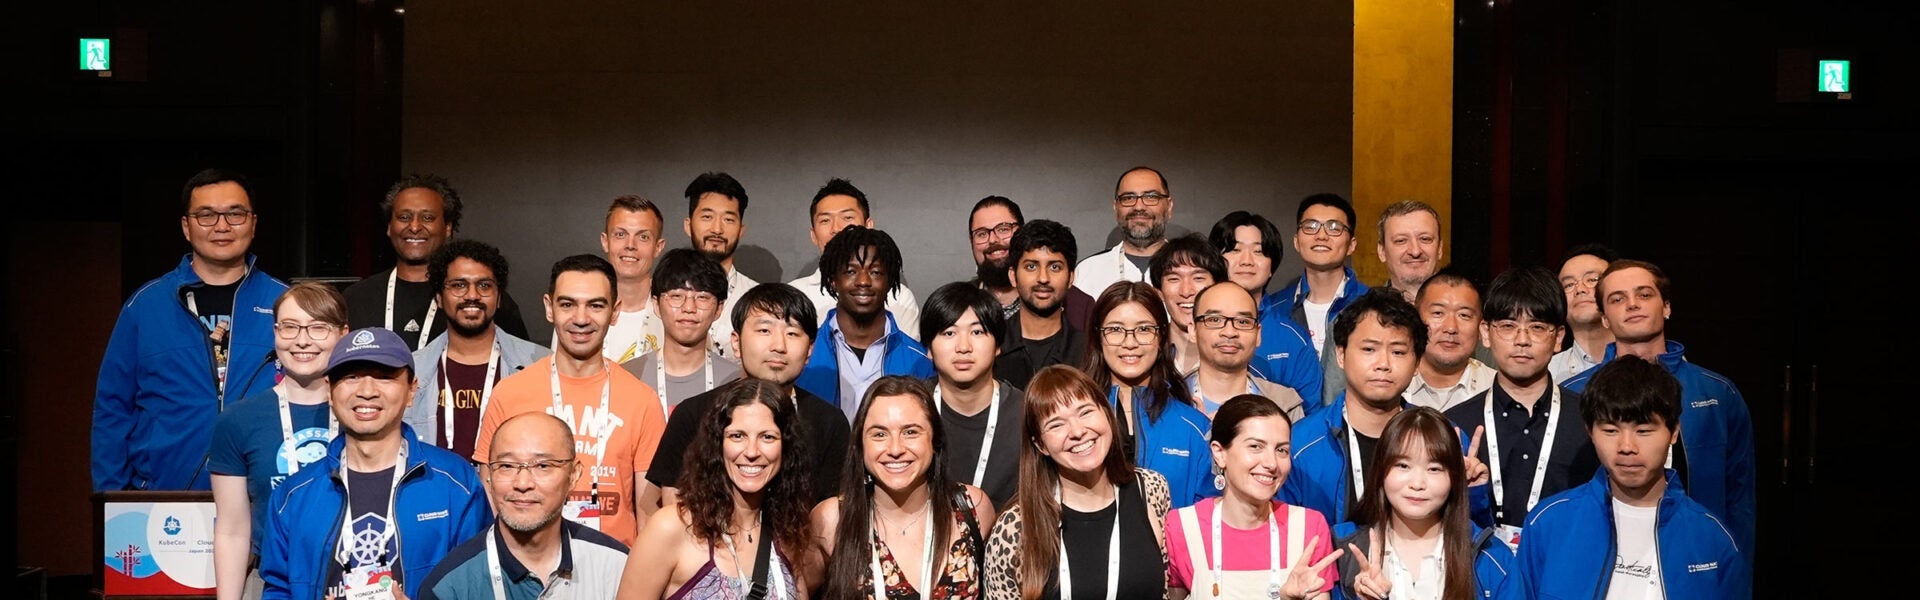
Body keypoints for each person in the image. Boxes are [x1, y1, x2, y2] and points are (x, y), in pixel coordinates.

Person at [260, 327, 492, 600]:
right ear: (330, 391)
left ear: (411, 390)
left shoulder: (456, 483)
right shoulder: (293, 496)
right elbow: (278, 590)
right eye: (351, 377)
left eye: (384, 377)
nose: (367, 391)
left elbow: (480, 587)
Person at [95, 168, 289, 491]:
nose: (222, 226)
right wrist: (113, 499)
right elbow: (112, 407)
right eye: (206, 215)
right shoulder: (145, 307)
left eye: (235, 214)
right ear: (186, 227)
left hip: (267, 502)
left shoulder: (286, 304)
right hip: (163, 504)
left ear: (253, 223)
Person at [1561, 259, 1755, 555]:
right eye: (1617, 298)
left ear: (1666, 306)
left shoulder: (1718, 393)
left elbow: (1740, 497)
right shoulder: (1573, 394)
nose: (1632, 304)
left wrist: (1735, 569)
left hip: (1697, 555)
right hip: (1601, 553)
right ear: (1604, 318)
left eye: (1644, 295)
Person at [473, 255, 669, 546]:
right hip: (525, 568)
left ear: (615, 311)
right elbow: (489, 494)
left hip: (614, 574)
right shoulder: (510, 393)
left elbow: (649, 514)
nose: (581, 318)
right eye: (567, 304)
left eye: (596, 305)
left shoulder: (642, 400)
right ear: (549, 308)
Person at [1517, 356, 1750, 598]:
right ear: (1590, 432)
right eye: (1610, 430)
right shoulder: (1547, 524)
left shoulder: (1712, 537)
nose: (1626, 446)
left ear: (1673, 432)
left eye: (1643, 430)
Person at [1281, 288, 1488, 526]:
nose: (1383, 364)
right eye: (1369, 349)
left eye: (1398, 352)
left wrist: (1473, 494)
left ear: (1417, 363)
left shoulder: (1444, 437)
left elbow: (1470, 540)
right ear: (1341, 354)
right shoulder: (1300, 444)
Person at [643, 283, 852, 510]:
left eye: (792, 333)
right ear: (736, 342)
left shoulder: (829, 422)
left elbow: (832, 514)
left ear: (810, 350)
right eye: (764, 330)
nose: (779, 346)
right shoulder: (693, 414)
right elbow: (672, 510)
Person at [982, 365, 1172, 600]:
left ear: (1107, 414)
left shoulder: (1152, 489)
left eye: (1085, 412)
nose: (1077, 431)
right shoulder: (1016, 527)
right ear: (1040, 445)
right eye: (1056, 424)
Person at [615, 379, 818, 599]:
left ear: (786, 447)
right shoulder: (672, 528)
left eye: (767, 437)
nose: (751, 451)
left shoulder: (787, 534)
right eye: (737, 436)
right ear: (717, 444)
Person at [209, 283, 348, 600]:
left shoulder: (365, 410)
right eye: (290, 327)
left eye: (318, 328)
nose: (302, 340)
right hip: (273, 580)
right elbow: (232, 530)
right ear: (275, 332)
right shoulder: (238, 421)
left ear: (343, 333)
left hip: (354, 575)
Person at [1443, 267, 1598, 540]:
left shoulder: (1592, 421)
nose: (1522, 340)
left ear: (1559, 337)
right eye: (1508, 326)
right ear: (1486, 334)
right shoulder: (1452, 425)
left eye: (1537, 327)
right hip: (1476, 574)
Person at [810, 376, 996, 600]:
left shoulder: (971, 508)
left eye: (910, 432)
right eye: (879, 434)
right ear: (860, 444)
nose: (895, 448)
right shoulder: (832, 520)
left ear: (934, 439)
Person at [418, 413, 631, 598]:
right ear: (489, 475)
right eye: (506, 466)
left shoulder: (620, 568)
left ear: (574, 475)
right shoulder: (449, 587)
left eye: (543, 466)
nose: (522, 483)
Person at [1165, 395, 1341, 600]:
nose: (1271, 463)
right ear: (1220, 453)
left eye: (1281, 450)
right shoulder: (1183, 527)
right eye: (1255, 446)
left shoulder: (1308, 527)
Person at [1333, 408, 1518, 600]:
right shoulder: (1342, 552)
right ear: (1380, 470)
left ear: (1454, 477)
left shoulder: (1493, 558)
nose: (1417, 484)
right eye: (1403, 466)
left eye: (1434, 469)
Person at [344, 173, 530, 349]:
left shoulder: (482, 300)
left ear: (448, 228)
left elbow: (521, 366)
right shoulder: (356, 298)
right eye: (404, 217)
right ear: (389, 227)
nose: (415, 227)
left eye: (427, 218)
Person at [404, 239, 550, 458]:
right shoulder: (411, 370)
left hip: (510, 489)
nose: (472, 295)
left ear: (499, 297)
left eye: (484, 285)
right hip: (438, 490)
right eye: (458, 285)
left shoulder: (540, 365)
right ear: (439, 299)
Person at [1082, 282, 1213, 508]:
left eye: (1144, 329)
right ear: (1098, 337)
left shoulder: (1194, 427)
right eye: (1115, 330)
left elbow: (1207, 518)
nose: (1130, 343)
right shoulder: (1073, 421)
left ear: (1161, 337)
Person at [796, 225, 936, 417]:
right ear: (832, 280)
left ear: (890, 282)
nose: (863, 281)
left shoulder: (919, 360)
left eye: (875, 272)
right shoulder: (802, 355)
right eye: (851, 271)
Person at [921, 282, 1028, 508]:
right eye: (949, 333)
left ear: (998, 345)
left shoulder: (1026, 414)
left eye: (977, 332)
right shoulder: (911, 409)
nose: (963, 346)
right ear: (928, 348)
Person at [1214, 212, 1326, 415]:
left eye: (1259, 252)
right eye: (1235, 249)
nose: (1246, 260)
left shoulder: (1292, 338)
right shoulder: (1195, 325)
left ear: (1271, 267)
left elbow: (1311, 417)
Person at [790, 178, 923, 341]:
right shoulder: (795, 295)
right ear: (813, 235)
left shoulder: (899, 298)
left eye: (847, 218)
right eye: (825, 220)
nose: (836, 229)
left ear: (868, 226)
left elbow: (906, 359)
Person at [622, 248, 744, 414]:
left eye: (702, 297)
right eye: (676, 296)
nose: (689, 308)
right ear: (656, 305)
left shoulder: (737, 382)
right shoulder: (627, 376)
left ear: (719, 309)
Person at [1184, 282, 1307, 421]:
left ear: (1258, 334)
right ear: (1193, 330)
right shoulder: (1164, 400)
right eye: (1215, 320)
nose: (1229, 332)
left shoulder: (1284, 404)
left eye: (1243, 322)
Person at [993, 220, 1087, 390]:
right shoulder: (991, 346)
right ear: (1013, 276)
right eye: (1031, 266)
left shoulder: (1089, 351)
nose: (1043, 278)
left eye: (1055, 267)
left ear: (1071, 278)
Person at [683, 172, 756, 358]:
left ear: (741, 230)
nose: (717, 229)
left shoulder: (758, 299)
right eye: (707, 217)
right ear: (688, 225)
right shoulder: (664, 295)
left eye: (728, 219)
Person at [1074, 166, 1176, 299]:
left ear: (1168, 207)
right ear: (1116, 208)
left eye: (1151, 197)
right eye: (1128, 198)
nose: (1139, 207)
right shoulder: (1087, 271)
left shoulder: (1193, 271)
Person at [1404, 271, 1495, 412]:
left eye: (1464, 315)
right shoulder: (1391, 384)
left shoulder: (1496, 389)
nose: (1451, 328)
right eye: (1438, 313)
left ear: (1482, 328)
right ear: (1415, 319)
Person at [602, 194, 672, 363]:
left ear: (658, 247)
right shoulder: (579, 312)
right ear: (605, 242)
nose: (630, 245)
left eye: (643, 237)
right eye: (620, 234)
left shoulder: (676, 314)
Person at [1149, 235, 1225, 377]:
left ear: (1218, 286)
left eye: (1198, 278)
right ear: (1159, 292)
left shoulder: (1234, 351)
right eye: (1174, 279)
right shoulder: (1146, 353)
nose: (1186, 291)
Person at [1547, 243, 1618, 383]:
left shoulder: (1650, 362)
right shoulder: (1547, 374)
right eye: (1568, 285)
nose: (1580, 289)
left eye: (1592, 280)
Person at [1372, 201, 1444, 303]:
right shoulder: (1363, 315)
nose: (1415, 251)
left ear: (1440, 248)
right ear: (1382, 251)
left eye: (1425, 239)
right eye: (1401, 241)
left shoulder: (1468, 307)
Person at [968, 196, 1026, 319]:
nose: (993, 240)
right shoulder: (958, 304)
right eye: (982, 234)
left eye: (1004, 229)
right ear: (971, 242)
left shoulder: (1055, 301)